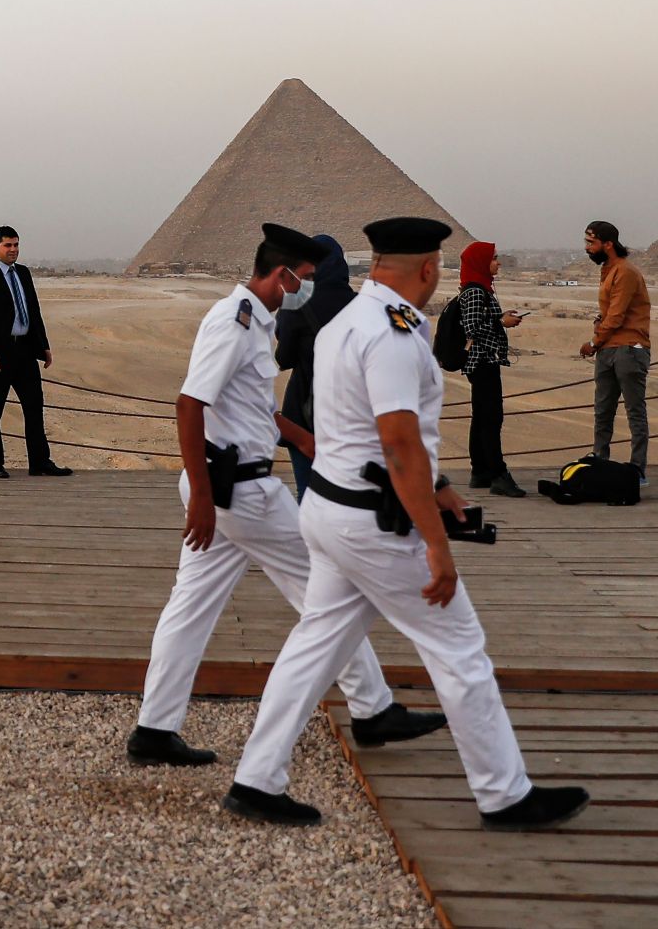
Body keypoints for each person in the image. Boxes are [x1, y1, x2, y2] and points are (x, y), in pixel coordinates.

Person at [225, 217, 589, 832]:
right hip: (376, 526)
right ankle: (504, 795)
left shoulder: (347, 320)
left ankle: (257, 779)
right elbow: (397, 444)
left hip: (329, 510)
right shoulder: (394, 334)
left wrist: (442, 491)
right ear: (428, 268)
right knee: (460, 649)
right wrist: (438, 546)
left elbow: (362, 432)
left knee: (314, 646)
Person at [126, 223, 446, 774]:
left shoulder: (254, 321)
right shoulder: (234, 322)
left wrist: (303, 439)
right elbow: (188, 404)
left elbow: (249, 405)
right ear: (281, 274)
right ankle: (373, 709)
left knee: (191, 606)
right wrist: (201, 495)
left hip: (229, 487)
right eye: (304, 279)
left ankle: (155, 728)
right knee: (331, 589)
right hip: (239, 491)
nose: (306, 289)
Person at [0, 226, 72, 479]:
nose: (13, 250)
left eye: (16, 245)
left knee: (34, 408)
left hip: (25, 350)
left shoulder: (23, 273)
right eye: (7, 246)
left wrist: (44, 346)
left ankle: (40, 462)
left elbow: (33, 312)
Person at [275, 233, 356, 500]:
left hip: (305, 415)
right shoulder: (362, 306)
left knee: (308, 496)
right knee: (347, 498)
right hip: (351, 415)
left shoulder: (297, 303)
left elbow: (284, 359)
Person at [580, 221, 651, 486]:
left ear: (607, 244)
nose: (587, 248)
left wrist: (593, 342)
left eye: (591, 243)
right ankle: (600, 464)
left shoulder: (626, 271)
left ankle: (638, 470)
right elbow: (610, 313)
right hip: (608, 348)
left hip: (628, 349)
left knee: (634, 411)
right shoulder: (608, 270)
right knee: (603, 410)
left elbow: (618, 316)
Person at [458, 241, 526, 497]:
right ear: (480, 262)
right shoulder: (475, 292)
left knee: (482, 417)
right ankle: (498, 474)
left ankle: (480, 472)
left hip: (483, 362)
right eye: (494, 258)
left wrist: (500, 317)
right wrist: (502, 322)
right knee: (491, 419)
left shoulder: (479, 289)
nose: (498, 262)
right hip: (483, 361)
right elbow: (472, 327)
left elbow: (480, 321)